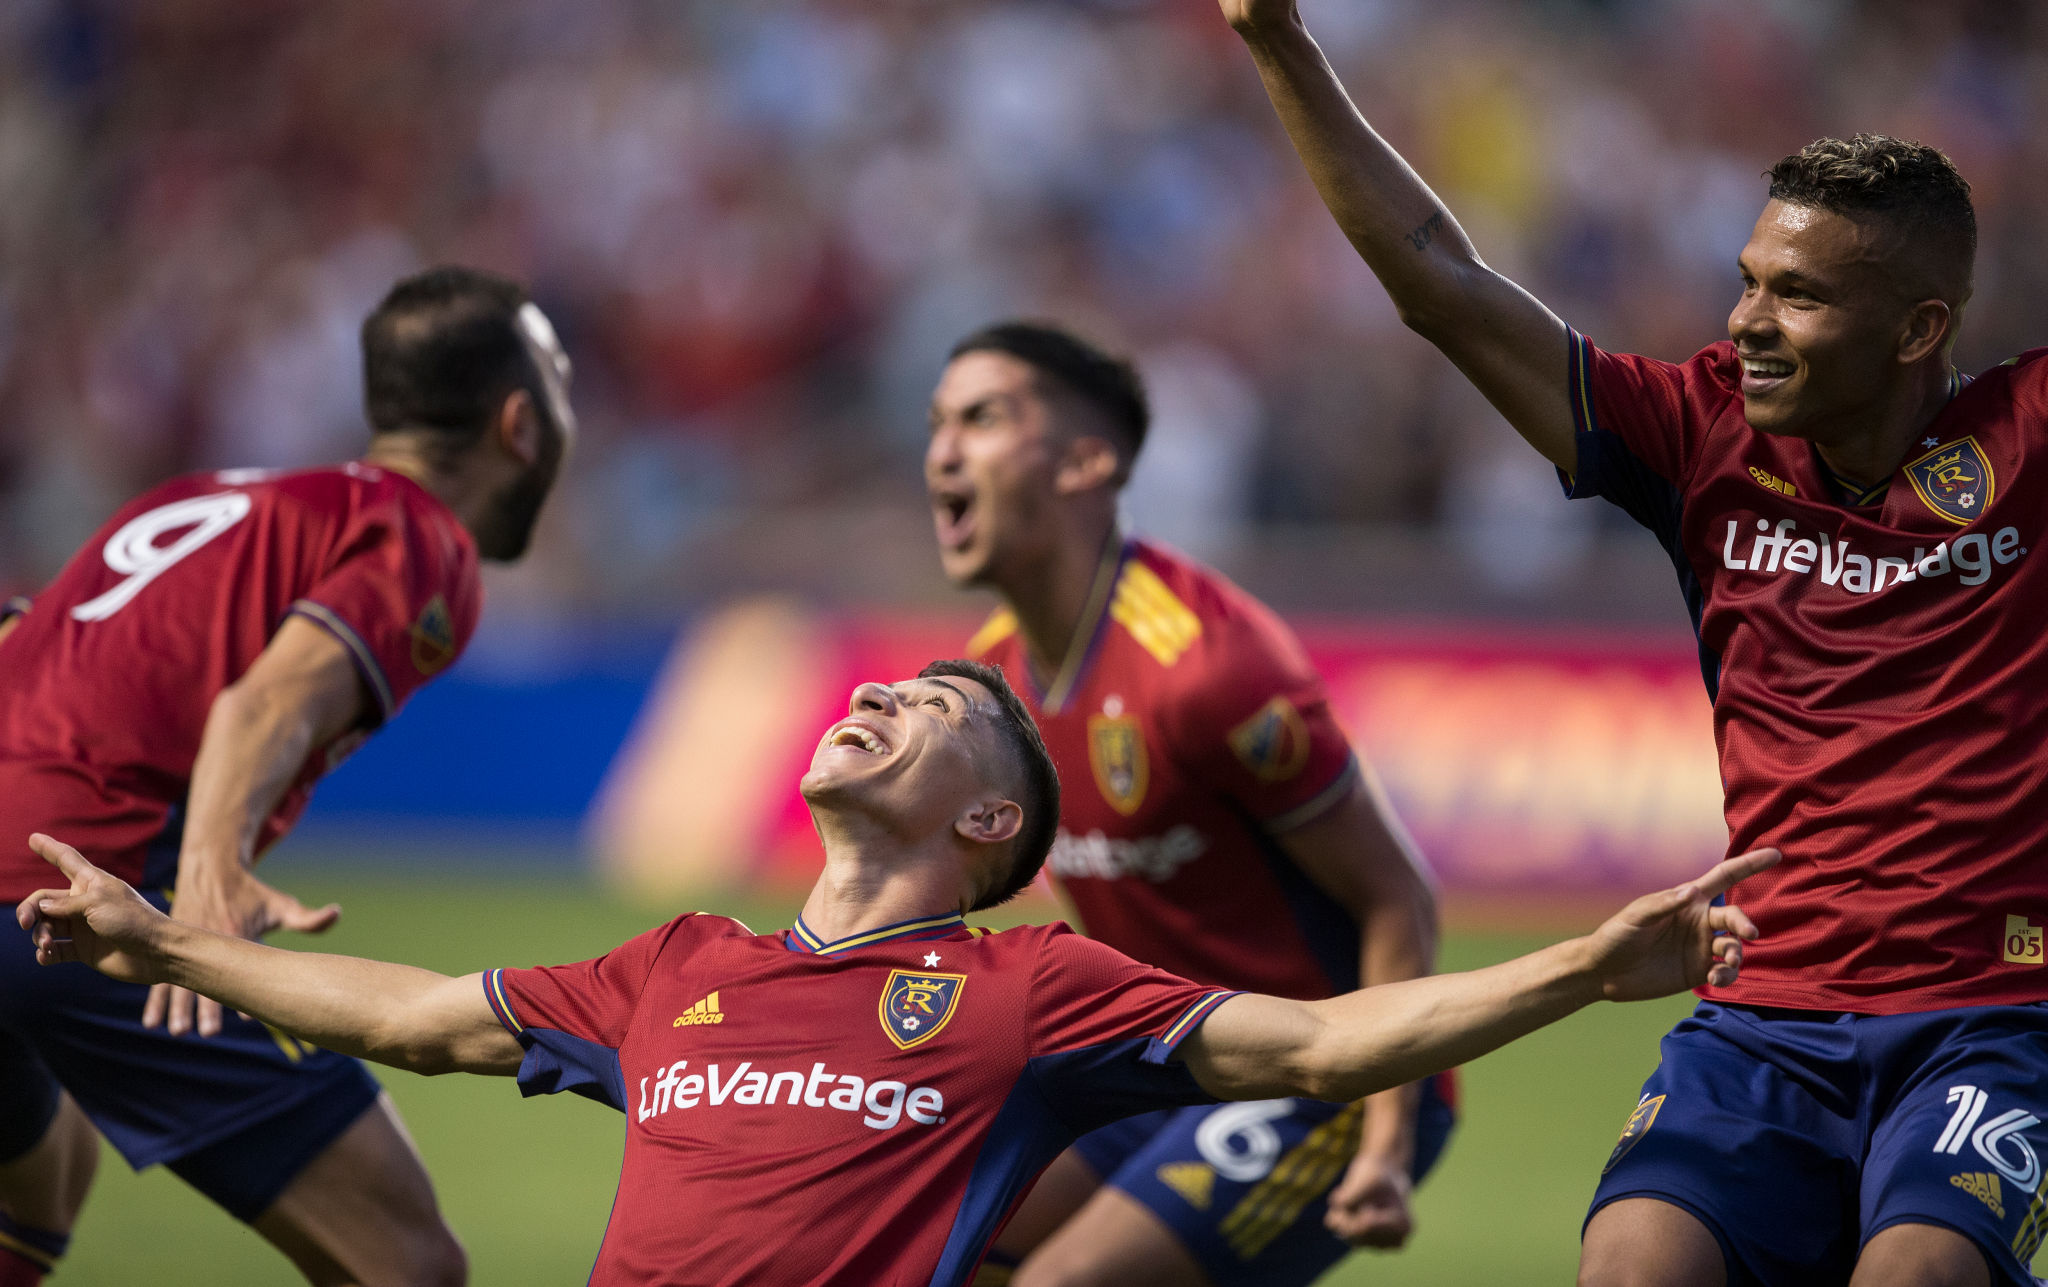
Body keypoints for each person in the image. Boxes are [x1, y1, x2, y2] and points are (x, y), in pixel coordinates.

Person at [17, 658, 1774, 1287]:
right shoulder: (676, 961)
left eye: (924, 708)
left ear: (989, 810)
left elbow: (1324, 1047)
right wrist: (167, 940)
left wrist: (1583, 965)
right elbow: (407, 1015)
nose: (872, 696)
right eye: (877, 688)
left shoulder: (1032, 987)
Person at [1214, 1, 2048, 1282]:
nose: (1745, 322)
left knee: (1918, 1276)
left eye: (1799, 297)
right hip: (1760, 1017)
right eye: (1748, 279)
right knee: (1628, 1267)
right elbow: (1437, 283)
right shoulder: (1698, 435)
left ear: (1918, 330)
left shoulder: (2025, 439)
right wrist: (1276, 38)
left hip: (1996, 1020)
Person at [0, 266, 576, 1286]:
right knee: (406, 1263)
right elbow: (263, 704)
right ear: (519, 425)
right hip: (67, 889)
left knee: (36, 1190)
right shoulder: (418, 540)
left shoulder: (222, 498)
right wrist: (209, 892)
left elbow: (26, 636)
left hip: (24, 888)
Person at [925, 321, 1447, 1287]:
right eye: (938, 423)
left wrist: (1384, 1137)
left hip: (1320, 1074)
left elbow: (1395, 896)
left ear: (1087, 461)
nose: (942, 451)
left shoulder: (1208, 665)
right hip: (1165, 1066)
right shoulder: (989, 681)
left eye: (983, 418)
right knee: (921, 1249)